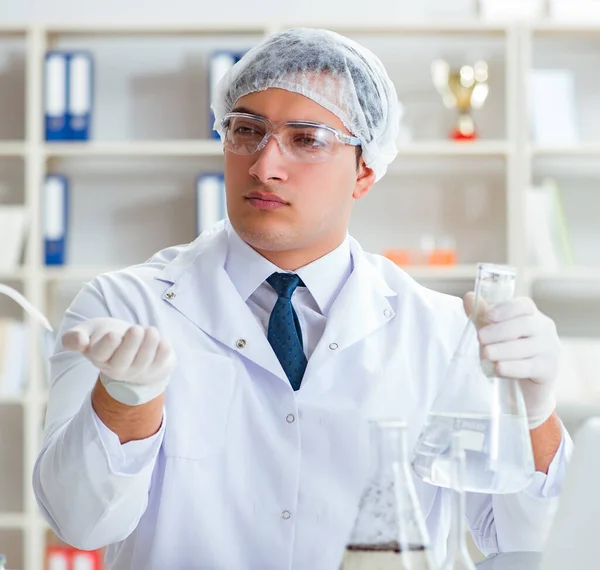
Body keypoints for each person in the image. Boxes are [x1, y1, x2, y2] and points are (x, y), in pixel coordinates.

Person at [33, 28, 571, 570]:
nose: (264, 165)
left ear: (365, 169)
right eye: (246, 131)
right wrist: (125, 404)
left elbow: (524, 543)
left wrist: (535, 414)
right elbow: (80, 522)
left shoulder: (440, 331)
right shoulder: (123, 309)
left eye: (307, 139)